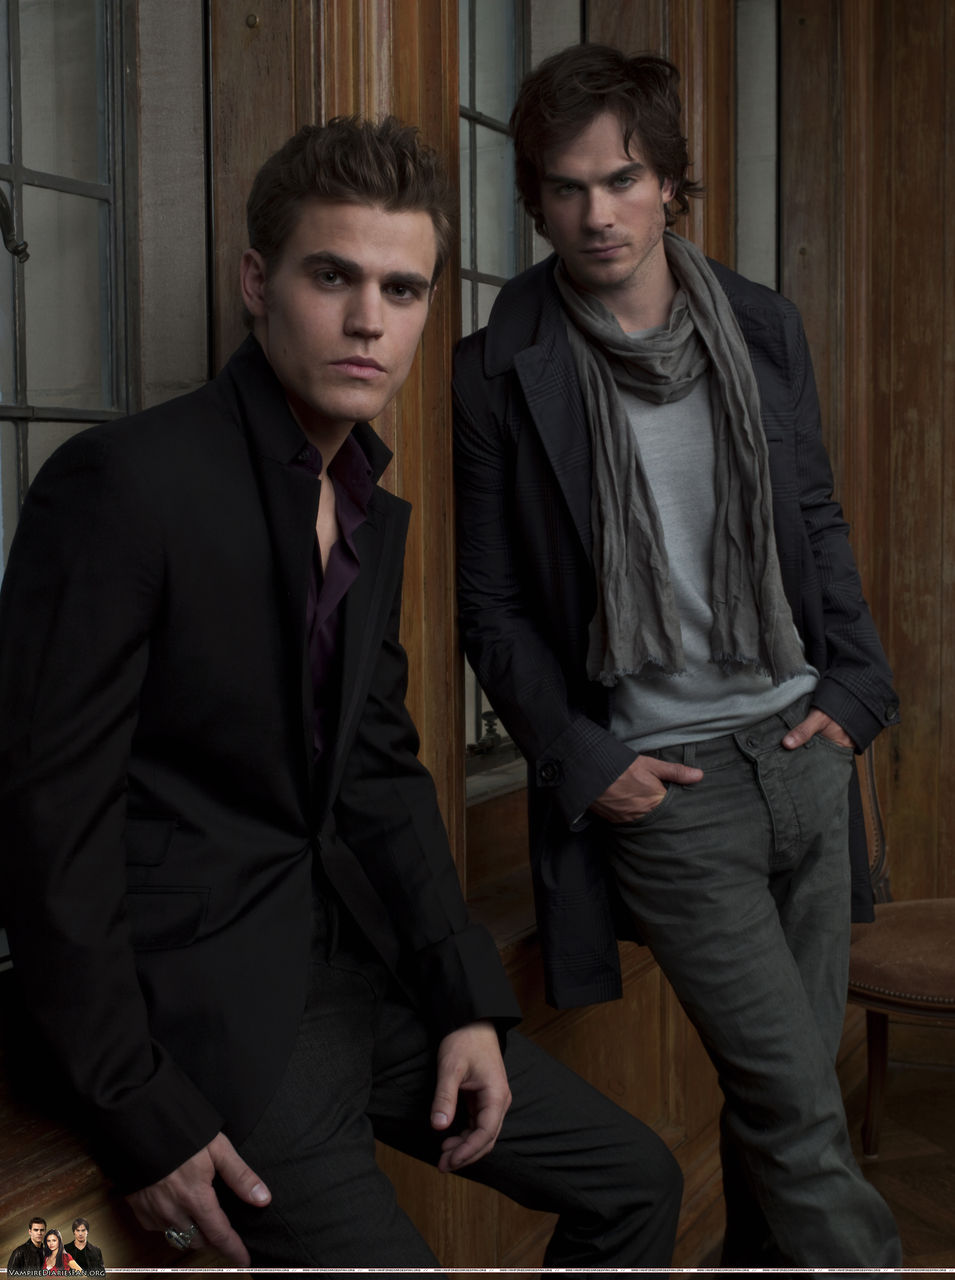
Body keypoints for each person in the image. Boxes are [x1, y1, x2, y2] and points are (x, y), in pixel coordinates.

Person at [0, 115, 681, 1273]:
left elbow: (378, 773)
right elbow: (44, 819)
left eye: (402, 289)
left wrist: (465, 999)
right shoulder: (122, 484)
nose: (370, 320)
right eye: (333, 277)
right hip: (203, 1015)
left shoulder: (365, 501)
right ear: (257, 283)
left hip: (359, 978)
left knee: (637, 1182)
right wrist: (132, 1102)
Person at [452, 43, 903, 1269]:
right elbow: (491, 608)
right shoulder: (498, 369)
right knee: (799, 1111)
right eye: (565, 188)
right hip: (674, 791)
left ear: (667, 183)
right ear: (535, 199)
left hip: (803, 750)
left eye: (622, 179)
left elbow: (814, 516)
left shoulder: (759, 324)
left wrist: (856, 691)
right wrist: (582, 757)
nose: (596, 213)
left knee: (782, 1097)